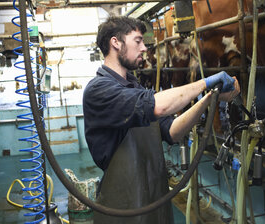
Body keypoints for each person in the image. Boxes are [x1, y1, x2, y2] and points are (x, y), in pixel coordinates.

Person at [83, 16, 240, 224]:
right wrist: (205, 82)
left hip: (154, 199)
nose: (144, 49)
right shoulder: (99, 90)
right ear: (116, 43)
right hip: (123, 208)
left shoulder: (135, 88)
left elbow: (173, 131)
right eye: (138, 41)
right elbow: (158, 106)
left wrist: (210, 97)